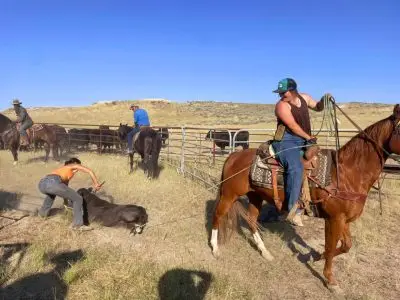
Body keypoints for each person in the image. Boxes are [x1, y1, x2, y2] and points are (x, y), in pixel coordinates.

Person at [269, 78, 329, 226]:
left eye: (284, 92)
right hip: (285, 141)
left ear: (293, 90)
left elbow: (318, 107)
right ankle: (291, 210)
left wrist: (324, 100)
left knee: (323, 161)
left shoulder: (305, 97)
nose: (281, 95)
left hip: (303, 139)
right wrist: (309, 138)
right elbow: (293, 126)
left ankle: (314, 202)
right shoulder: (281, 106)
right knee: (296, 168)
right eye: (280, 93)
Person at [37, 157, 103, 231]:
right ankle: (77, 225)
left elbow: (64, 191)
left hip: (42, 184)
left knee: (51, 195)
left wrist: (66, 203)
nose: (77, 170)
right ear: (75, 164)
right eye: (78, 167)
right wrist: (96, 183)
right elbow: (90, 171)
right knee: (78, 198)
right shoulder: (72, 165)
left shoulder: (62, 172)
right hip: (53, 182)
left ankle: (42, 214)